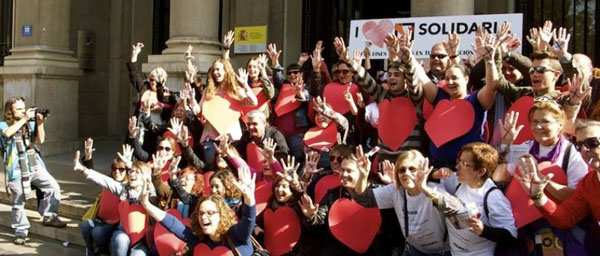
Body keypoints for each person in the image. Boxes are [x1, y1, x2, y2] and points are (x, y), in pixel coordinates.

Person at [407, 32, 500, 169]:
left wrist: (489, 61)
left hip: (467, 169)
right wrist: (409, 57)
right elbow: (422, 76)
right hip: (437, 168)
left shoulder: (476, 100)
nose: (450, 82)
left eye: (455, 78)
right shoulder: (440, 97)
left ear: (466, 79)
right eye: (447, 78)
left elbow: (492, 86)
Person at [515, 119, 600, 255]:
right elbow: (565, 217)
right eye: (579, 145)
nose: (585, 150)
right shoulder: (588, 183)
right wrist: (538, 196)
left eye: (592, 143)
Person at [420, 142, 517, 255]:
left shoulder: (493, 197)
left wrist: (484, 231)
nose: (457, 167)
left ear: (481, 171)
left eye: (464, 164)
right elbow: (428, 179)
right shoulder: (459, 182)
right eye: (459, 161)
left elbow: (511, 236)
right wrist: (436, 173)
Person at [141, 165, 257, 256]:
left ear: (221, 215)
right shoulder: (200, 239)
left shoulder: (237, 235)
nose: (204, 217)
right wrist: (147, 205)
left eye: (210, 213)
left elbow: (248, 219)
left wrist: (249, 197)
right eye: (201, 214)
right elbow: (173, 224)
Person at [352, 150, 451, 255]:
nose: (406, 173)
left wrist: (430, 185)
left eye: (412, 169)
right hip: (414, 250)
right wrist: (363, 175)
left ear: (423, 171)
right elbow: (363, 199)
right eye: (402, 170)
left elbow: (454, 208)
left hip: (443, 251)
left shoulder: (435, 189)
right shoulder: (395, 190)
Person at [0, 97, 66, 245]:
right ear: (10, 111)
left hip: (34, 165)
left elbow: (40, 140)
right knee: (18, 201)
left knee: (53, 187)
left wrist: (40, 124)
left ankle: (49, 215)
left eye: (24, 108)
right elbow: (7, 133)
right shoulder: (3, 124)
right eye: (19, 109)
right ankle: (21, 231)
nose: (23, 111)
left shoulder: (28, 124)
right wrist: (25, 118)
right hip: (16, 169)